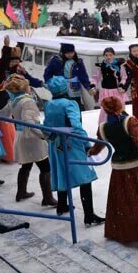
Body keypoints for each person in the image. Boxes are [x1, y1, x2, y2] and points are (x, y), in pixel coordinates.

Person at [88, 97, 138, 244]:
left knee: (124, 202)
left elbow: (97, 148)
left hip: (120, 169)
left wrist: (89, 152)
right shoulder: (130, 122)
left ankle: (125, 232)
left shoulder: (103, 128)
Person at [43, 76, 104, 227]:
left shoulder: (49, 104)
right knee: (84, 178)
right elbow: (76, 126)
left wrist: (52, 136)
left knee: (62, 171)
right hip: (71, 143)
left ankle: (62, 205)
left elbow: (47, 126)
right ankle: (89, 215)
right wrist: (87, 144)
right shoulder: (70, 103)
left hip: (56, 142)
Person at [0, 75, 54, 204]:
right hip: (31, 137)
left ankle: (21, 192)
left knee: (26, 165)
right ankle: (48, 197)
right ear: (23, 88)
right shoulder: (27, 101)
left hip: (20, 135)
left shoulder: (13, 100)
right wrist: (43, 135)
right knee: (45, 167)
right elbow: (29, 122)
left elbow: (2, 115)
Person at [43, 44, 96, 110]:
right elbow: (47, 74)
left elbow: (83, 76)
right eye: (67, 53)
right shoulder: (56, 61)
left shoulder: (78, 61)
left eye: (72, 52)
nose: (70, 55)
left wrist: (88, 87)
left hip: (75, 90)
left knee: (75, 108)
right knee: (62, 109)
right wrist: (50, 84)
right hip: (60, 90)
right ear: (63, 52)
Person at [94, 47, 126, 124]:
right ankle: (105, 127)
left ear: (113, 55)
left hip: (117, 91)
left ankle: (121, 126)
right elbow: (95, 77)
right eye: (106, 55)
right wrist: (93, 85)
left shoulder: (119, 65)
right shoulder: (101, 66)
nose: (108, 57)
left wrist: (121, 84)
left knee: (119, 108)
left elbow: (124, 77)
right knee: (105, 109)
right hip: (105, 91)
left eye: (110, 55)